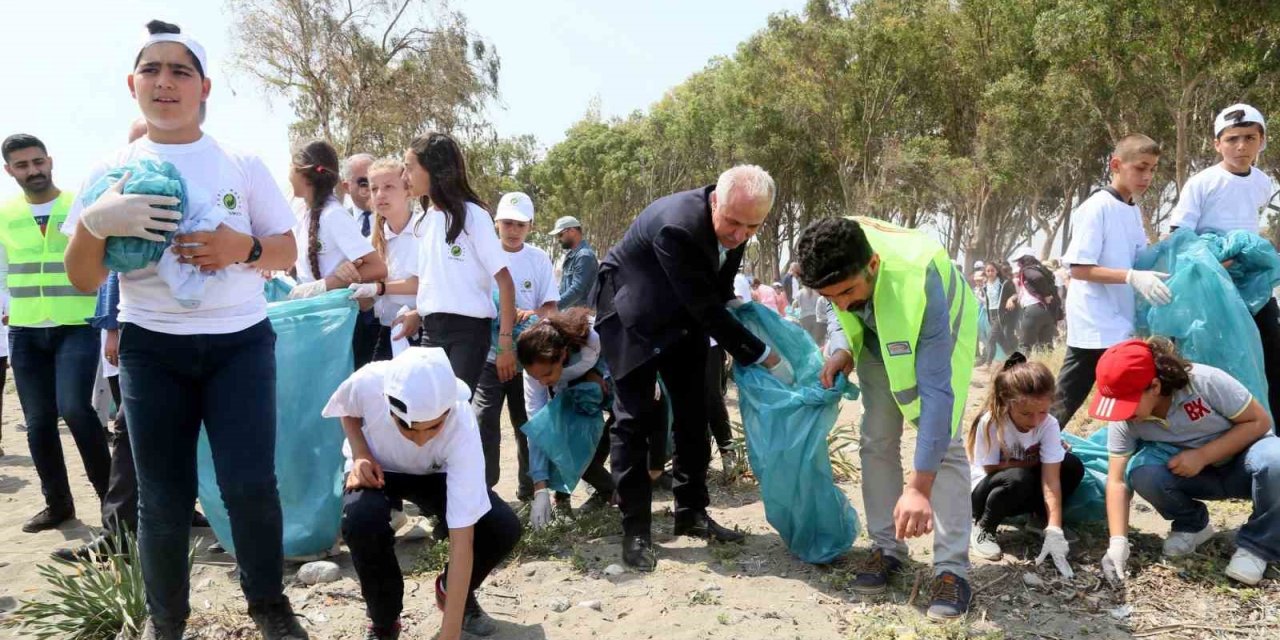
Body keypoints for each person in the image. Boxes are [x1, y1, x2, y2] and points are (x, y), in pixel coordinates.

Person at [62, 20, 308, 639]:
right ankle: (166, 619)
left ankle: (269, 605)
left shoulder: (240, 163)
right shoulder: (112, 168)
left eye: (180, 71)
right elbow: (83, 280)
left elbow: (286, 249)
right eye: (152, 70)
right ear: (131, 84)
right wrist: (97, 222)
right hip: (151, 349)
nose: (165, 82)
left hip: (240, 345)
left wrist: (239, 247)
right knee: (163, 498)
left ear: (204, 88)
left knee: (250, 485)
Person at [592, 164, 788, 571]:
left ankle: (692, 513)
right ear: (715, 199)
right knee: (634, 422)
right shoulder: (676, 226)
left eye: (751, 228)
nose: (738, 236)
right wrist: (763, 353)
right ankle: (637, 531)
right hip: (633, 313)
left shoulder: (738, 222)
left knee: (695, 410)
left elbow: (717, 290)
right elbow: (707, 309)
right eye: (733, 223)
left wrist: (745, 312)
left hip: (681, 315)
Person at [796, 215, 978, 620]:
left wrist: (918, 487)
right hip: (880, 339)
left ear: (873, 265)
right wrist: (843, 346)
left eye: (847, 291)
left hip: (941, 332)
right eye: (832, 296)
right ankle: (887, 547)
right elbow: (840, 311)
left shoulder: (920, 278)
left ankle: (952, 570)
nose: (842, 303)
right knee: (876, 439)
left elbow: (936, 395)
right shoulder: (837, 251)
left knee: (943, 446)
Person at [326, 347, 521, 640]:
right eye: (409, 428)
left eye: (433, 428)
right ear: (388, 403)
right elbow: (347, 411)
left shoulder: (461, 425)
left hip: (434, 474)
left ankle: (454, 592)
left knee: (501, 528)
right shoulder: (369, 382)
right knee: (360, 521)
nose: (421, 439)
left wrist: (449, 633)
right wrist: (360, 453)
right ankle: (384, 622)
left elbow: (462, 539)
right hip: (378, 469)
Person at [1091, 337, 1279, 586]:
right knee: (1142, 472)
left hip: (1244, 466)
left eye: (1126, 404)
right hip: (1195, 477)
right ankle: (1193, 526)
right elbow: (1116, 480)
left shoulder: (1204, 382)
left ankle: (1258, 547)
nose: (1121, 415)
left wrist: (1202, 455)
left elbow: (1259, 422)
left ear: (1155, 387)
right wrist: (1118, 542)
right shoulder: (1126, 419)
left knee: (1276, 458)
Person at [1, 133, 111, 533]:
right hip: (27, 331)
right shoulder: (5, 214)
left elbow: (105, 262)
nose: (33, 171)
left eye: (37, 162)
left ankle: (111, 503)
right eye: (22, 165)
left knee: (76, 409)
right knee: (38, 421)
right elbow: (3, 268)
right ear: (9, 170)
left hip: (76, 325)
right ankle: (58, 504)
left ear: (50, 160)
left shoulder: (78, 207)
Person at [1169, 104, 1280, 433]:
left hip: (1251, 288)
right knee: (1202, 361)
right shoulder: (1202, 182)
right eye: (1232, 139)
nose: (1241, 146)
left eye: (1250, 137)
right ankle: (1202, 430)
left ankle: (1270, 431)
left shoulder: (1262, 182)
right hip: (1207, 286)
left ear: (1262, 140)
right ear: (1217, 143)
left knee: (1271, 350)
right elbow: (1179, 235)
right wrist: (1215, 259)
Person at [1052, 134, 1171, 428]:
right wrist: (1131, 277)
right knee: (1067, 399)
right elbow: (1079, 268)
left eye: (1153, 169)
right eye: (1141, 168)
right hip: (1095, 322)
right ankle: (1028, 452)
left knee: (1133, 396)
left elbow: (1137, 258)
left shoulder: (1132, 210)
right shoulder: (1097, 207)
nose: (1147, 177)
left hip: (1119, 320)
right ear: (1116, 165)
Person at [390, 133, 516, 394]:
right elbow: (429, 282)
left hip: (468, 334)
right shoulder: (423, 222)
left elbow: (505, 282)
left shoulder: (474, 217)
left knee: (451, 410)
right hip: (431, 334)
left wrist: (505, 343)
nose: (404, 177)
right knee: (427, 413)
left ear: (433, 169)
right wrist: (419, 313)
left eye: (410, 168)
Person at [471, 192, 558, 499]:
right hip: (488, 357)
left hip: (527, 361)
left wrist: (533, 315)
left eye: (520, 224)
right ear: (496, 223)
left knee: (527, 425)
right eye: (508, 223)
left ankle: (529, 489)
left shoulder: (538, 259)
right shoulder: (481, 255)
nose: (513, 229)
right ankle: (484, 491)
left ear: (530, 226)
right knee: (483, 423)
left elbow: (551, 308)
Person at [966, 353, 1084, 575]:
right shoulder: (991, 422)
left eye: (1043, 412)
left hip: (1022, 486)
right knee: (1017, 477)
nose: (1036, 421)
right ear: (1007, 402)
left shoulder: (1048, 424)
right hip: (986, 491)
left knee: (1071, 465)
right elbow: (990, 468)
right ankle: (984, 527)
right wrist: (1033, 461)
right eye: (1026, 414)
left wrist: (1055, 528)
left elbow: (1051, 480)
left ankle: (1041, 520)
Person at [517, 307, 616, 523]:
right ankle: (564, 497)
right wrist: (539, 488)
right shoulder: (536, 372)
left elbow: (622, 353)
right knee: (561, 435)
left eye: (547, 374)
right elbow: (538, 430)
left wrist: (597, 373)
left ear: (562, 355)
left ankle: (616, 490)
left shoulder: (593, 337)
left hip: (607, 379)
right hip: (571, 391)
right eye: (537, 378)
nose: (542, 382)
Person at [284, 140, 387, 301]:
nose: (288, 175)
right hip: (315, 310)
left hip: (332, 312)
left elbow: (377, 267)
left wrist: (325, 285)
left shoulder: (333, 215)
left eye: (291, 167)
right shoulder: (303, 213)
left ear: (305, 175)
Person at [348, 157, 423, 361]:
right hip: (385, 331)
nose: (380, 195)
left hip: (421, 332)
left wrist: (378, 288)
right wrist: (355, 288)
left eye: (389, 186)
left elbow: (422, 283)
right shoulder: (370, 241)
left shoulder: (424, 229)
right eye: (374, 189)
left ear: (408, 189)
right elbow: (368, 303)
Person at [341, 152, 381, 369]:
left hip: (388, 322)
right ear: (346, 186)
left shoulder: (396, 219)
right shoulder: (336, 222)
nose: (371, 189)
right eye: (363, 182)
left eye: (374, 182)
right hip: (349, 326)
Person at [1010, 255, 1059, 353]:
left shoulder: (1027, 269)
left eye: (1020, 261)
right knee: (1046, 347)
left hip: (1033, 309)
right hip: (1047, 310)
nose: (1018, 264)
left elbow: (1037, 278)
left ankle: (1018, 368)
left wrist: (1045, 294)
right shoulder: (1041, 269)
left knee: (1025, 346)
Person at [552, 215, 597, 310]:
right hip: (569, 315)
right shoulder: (572, 255)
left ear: (572, 231)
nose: (559, 239)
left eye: (560, 235)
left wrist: (553, 307)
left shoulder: (584, 256)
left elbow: (577, 290)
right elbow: (564, 290)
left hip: (580, 318)